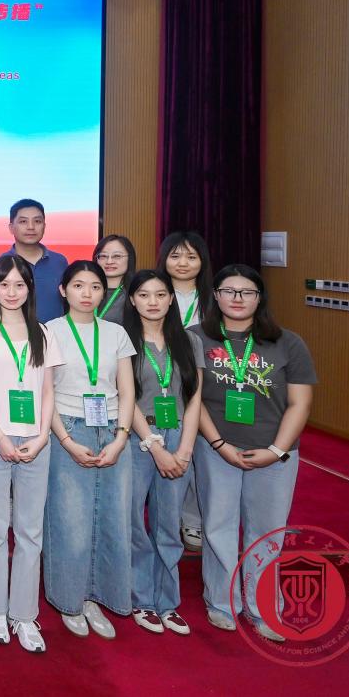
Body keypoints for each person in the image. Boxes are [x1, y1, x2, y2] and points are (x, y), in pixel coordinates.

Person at [192, 265, 315, 642]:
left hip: (274, 452)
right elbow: (192, 399)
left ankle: (263, 606)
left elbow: (300, 403)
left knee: (267, 530)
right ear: (215, 296)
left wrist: (277, 450)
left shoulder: (288, 342)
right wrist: (218, 444)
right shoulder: (196, 338)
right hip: (216, 447)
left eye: (247, 292)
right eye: (229, 291)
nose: (237, 299)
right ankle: (222, 601)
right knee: (218, 524)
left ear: (259, 299)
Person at [0, 255, 63, 653]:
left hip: (35, 441)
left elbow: (48, 391)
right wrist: (0, 436)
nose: (12, 291)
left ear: (30, 289)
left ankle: (24, 614)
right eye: (4, 284)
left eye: (20, 284)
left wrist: (41, 437)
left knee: (30, 531)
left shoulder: (44, 333)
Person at [43, 260, 137, 639]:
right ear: (63, 291)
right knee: (70, 521)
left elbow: (127, 390)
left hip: (112, 429)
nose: (87, 293)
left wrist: (121, 437)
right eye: (78, 285)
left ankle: (98, 597)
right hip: (68, 427)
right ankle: (70, 600)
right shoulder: (49, 332)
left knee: (112, 518)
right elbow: (45, 394)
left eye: (95, 287)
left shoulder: (116, 332)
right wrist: (66, 441)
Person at [122, 270, 203, 636]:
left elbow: (194, 398)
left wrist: (184, 449)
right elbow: (126, 398)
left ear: (171, 299)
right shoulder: (124, 340)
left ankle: (168, 602)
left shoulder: (189, 340)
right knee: (134, 524)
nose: (152, 301)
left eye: (160, 294)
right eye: (144, 294)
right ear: (132, 300)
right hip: (138, 437)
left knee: (169, 525)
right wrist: (155, 446)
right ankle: (141, 598)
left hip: (179, 435)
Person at [155, 230, 214, 551]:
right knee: (165, 449)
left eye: (191, 257)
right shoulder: (153, 292)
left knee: (200, 455)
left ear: (202, 261)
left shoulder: (214, 299)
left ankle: (192, 518)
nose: (183, 263)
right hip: (160, 384)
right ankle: (165, 517)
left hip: (203, 383)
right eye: (175, 255)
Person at [0, 199, 69, 322]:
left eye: (37, 221)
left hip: (55, 333)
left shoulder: (60, 262)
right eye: (23, 221)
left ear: (44, 226)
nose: (31, 227)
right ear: (11, 227)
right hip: (10, 333)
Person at [93, 234, 136, 325]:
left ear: (130, 258)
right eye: (103, 256)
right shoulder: (86, 291)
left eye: (117, 256)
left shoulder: (137, 293)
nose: (109, 261)